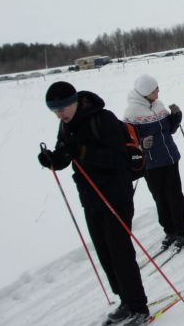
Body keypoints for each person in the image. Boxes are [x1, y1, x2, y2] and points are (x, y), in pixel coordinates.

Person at [38, 82, 149, 325]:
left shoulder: (103, 119)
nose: (60, 114)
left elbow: (119, 158)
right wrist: (53, 159)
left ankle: (139, 306)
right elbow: (65, 154)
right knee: (104, 252)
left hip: (115, 195)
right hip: (90, 197)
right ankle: (124, 300)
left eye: (63, 108)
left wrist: (82, 153)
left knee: (120, 252)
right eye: (55, 110)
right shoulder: (66, 126)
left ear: (76, 101)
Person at [124, 74, 184, 252]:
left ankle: (183, 231)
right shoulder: (131, 113)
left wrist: (175, 118)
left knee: (174, 195)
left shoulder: (159, 105)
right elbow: (128, 141)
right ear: (145, 92)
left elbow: (169, 130)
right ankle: (170, 230)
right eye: (155, 89)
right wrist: (141, 143)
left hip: (170, 158)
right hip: (151, 163)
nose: (158, 91)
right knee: (160, 198)